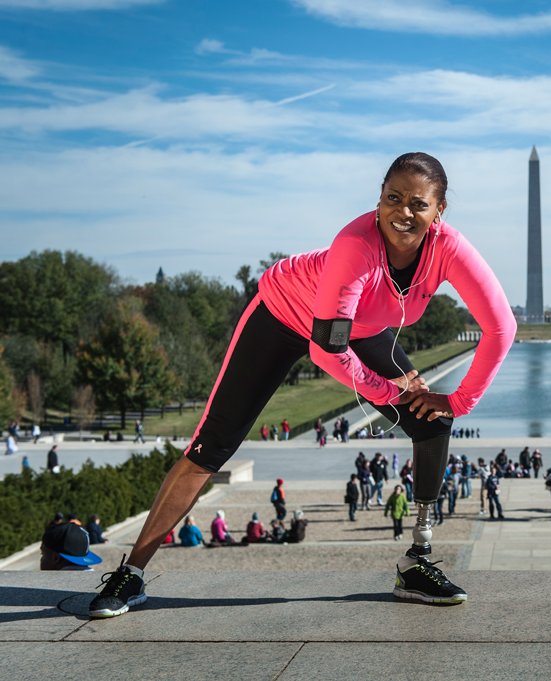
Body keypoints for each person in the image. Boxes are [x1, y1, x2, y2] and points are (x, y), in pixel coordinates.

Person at [88, 151, 515, 617]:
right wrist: (390, 391)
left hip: (363, 327)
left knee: (431, 422)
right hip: (282, 314)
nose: (404, 212)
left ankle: (417, 561)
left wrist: (456, 400)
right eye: (393, 198)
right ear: (379, 198)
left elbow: (501, 328)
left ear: (440, 211)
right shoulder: (356, 244)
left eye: (418, 203)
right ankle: (131, 573)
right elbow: (327, 351)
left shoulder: (449, 247)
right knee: (212, 446)